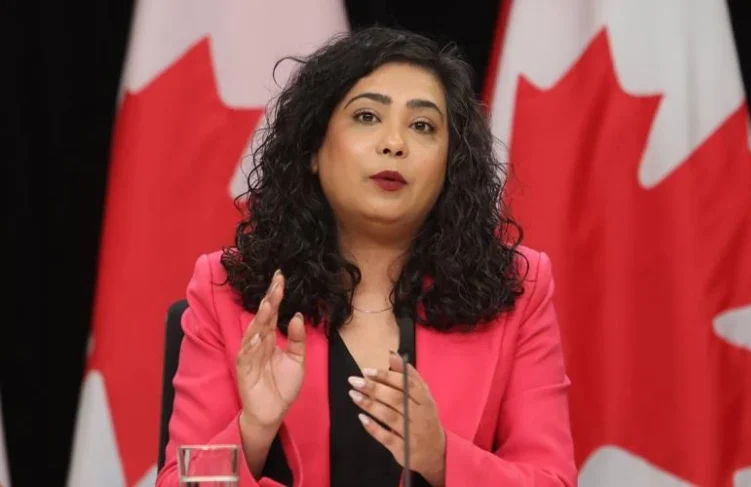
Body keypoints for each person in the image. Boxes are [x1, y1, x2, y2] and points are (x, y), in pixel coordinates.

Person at [155, 26, 577, 487]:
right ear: (314, 150)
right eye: (367, 116)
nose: (394, 143)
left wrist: (441, 457)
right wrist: (253, 430)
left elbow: (551, 480)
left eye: (422, 126)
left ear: (450, 166)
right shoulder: (230, 291)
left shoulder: (515, 289)